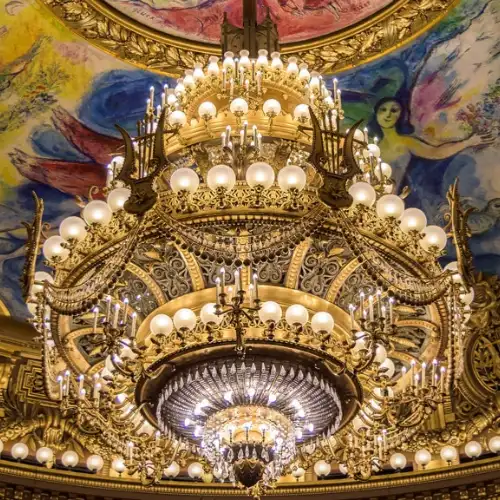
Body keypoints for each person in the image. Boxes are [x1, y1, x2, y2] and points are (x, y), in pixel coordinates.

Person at [366, 97, 493, 189]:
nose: (387, 114)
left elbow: (435, 152)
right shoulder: (371, 147)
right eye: (383, 110)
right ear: (376, 114)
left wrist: (469, 141)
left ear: (401, 115)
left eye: (394, 110)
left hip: (391, 203)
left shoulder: (405, 142)